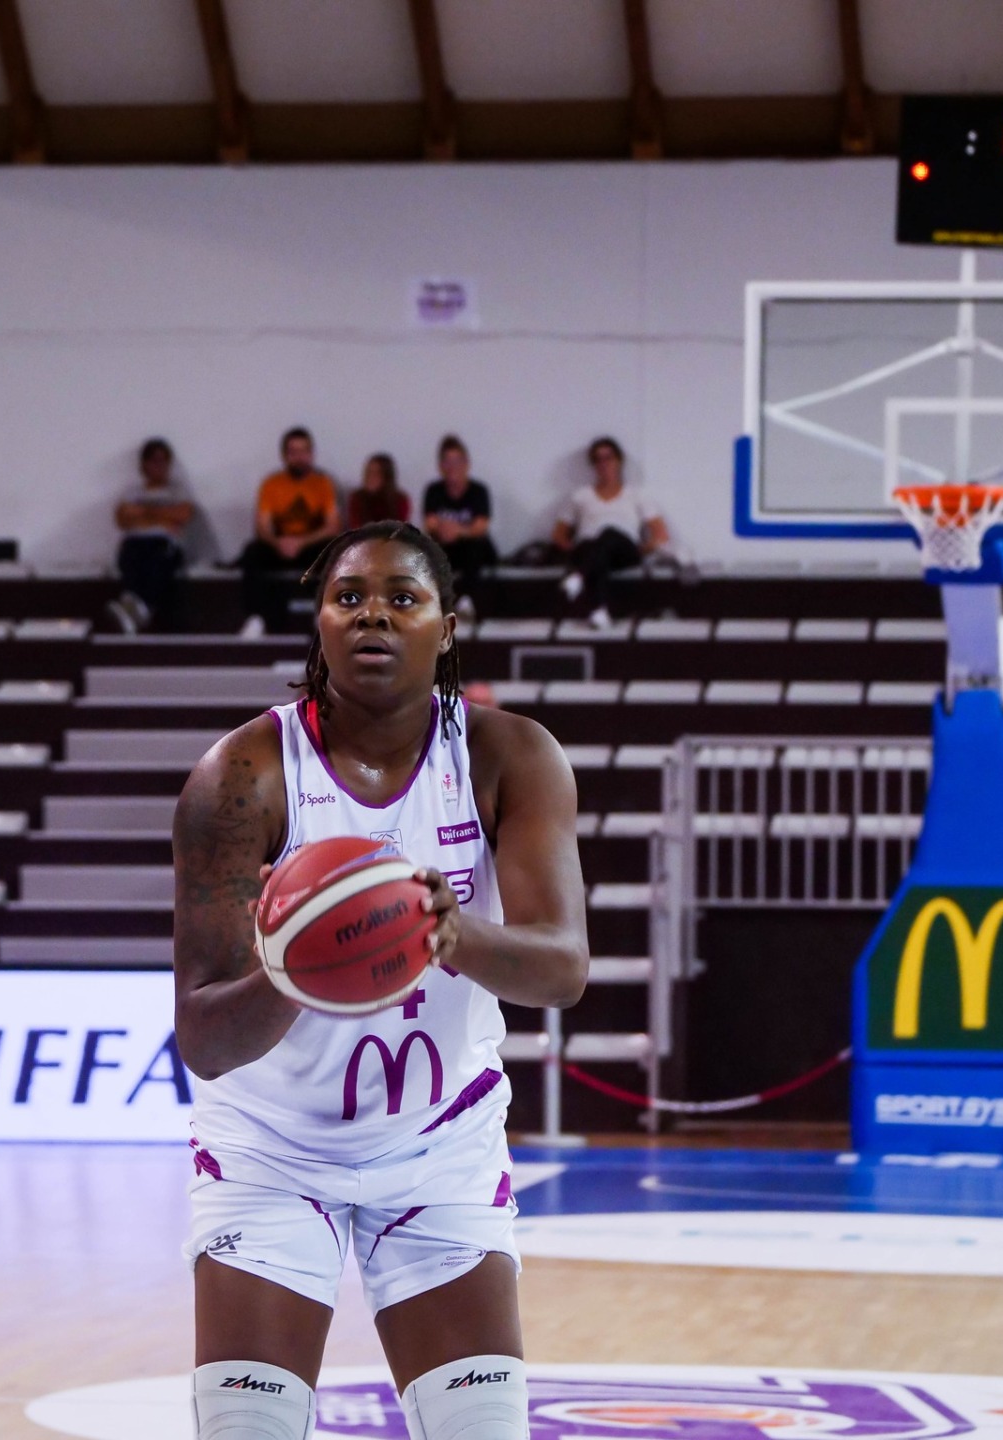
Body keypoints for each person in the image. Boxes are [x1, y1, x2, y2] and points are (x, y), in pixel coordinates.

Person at [173, 520, 589, 1440]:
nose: (373, 617)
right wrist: (299, 961)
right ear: (318, 623)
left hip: (440, 1150)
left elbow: (562, 969)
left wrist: (450, 932)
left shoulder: (509, 757)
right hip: (269, 1153)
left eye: (403, 598)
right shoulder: (239, 775)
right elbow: (203, 1040)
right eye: (348, 597)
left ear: (446, 627)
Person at [552, 435, 669, 629]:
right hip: (588, 548)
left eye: (608, 458)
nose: (604, 464)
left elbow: (661, 534)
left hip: (623, 550)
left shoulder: (636, 495)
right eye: (598, 459)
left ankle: (579, 577)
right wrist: (569, 548)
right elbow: (558, 534)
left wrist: (643, 549)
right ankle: (600, 612)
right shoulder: (579, 496)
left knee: (609, 533)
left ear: (619, 461)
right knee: (595, 547)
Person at [237, 427, 340, 638]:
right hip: (280, 546)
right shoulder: (272, 484)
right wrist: (278, 543)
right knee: (252, 552)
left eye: (304, 451)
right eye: (294, 452)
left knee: (333, 550)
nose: (299, 457)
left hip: (310, 546)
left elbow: (333, 525)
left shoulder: (323, 484)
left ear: (311, 454)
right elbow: (262, 526)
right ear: (284, 455)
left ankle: (322, 616)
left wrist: (301, 542)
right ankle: (256, 618)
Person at [109, 437, 199, 634]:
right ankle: (137, 608)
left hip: (163, 543)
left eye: (163, 461)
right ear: (144, 464)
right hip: (134, 542)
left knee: (156, 561)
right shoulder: (132, 491)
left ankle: (138, 609)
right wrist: (164, 516)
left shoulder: (177, 491)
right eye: (153, 461)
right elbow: (122, 520)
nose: (159, 466)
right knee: (130, 555)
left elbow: (183, 515)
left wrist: (142, 513)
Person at [422, 434, 497, 621]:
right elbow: (430, 522)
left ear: (466, 464)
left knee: (475, 546)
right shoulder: (434, 490)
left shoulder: (478, 491)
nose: (452, 466)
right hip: (449, 548)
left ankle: (467, 600)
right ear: (441, 466)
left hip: (475, 548)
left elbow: (480, 526)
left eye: (457, 461)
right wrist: (445, 531)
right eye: (447, 461)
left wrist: (457, 531)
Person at [347, 453, 410, 528]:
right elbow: (356, 529)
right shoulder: (356, 498)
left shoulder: (400, 500)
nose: (371, 478)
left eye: (376, 474)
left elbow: (400, 530)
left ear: (387, 477)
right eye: (369, 472)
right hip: (364, 538)